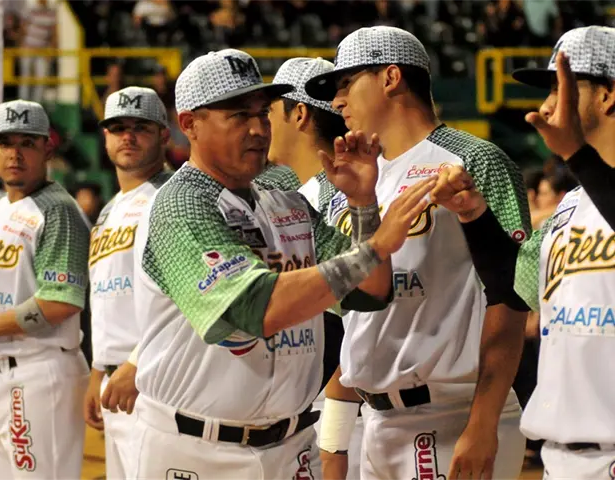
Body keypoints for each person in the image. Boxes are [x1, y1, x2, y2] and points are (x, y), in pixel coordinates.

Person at [126, 47, 437, 479]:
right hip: (197, 450)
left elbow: (371, 290)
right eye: (239, 115)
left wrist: (364, 204)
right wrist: (374, 247)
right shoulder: (180, 204)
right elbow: (253, 308)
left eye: (261, 113)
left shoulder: (287, 204)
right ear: (189, 124)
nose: (258, 129)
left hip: (291, 448)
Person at [305, 26, 530, 479]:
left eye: (346, 83)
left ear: (391, 77)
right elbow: (351, 319)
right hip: (376, 419)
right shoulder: (357, 178)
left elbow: (512, 296)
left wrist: (483, 422)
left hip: (452, 413)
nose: (337, 102)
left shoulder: (474, 159)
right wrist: (336, 433)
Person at [431, 26, 615, 479]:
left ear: (608, 95)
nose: (548, 105)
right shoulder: (572, 204)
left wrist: (577, 154)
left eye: (561, 88)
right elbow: (513, 287)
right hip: (563, 458)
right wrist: (474, 214)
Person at [0, 100, 90, 478]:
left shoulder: (57, 210)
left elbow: (61, 301)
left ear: (48, 149)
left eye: (27, 143)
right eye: (6, 143)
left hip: (40, 371)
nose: (15, 153)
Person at [268, 56, 363, 480]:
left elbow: (360, 319)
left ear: (299, 114)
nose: (262, 122)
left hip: (340, 410)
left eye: (270, 109)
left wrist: (335, 435)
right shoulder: (285, 192)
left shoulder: (340, 196)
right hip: (298, 403)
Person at [83, 87, 172, 479]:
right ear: (105, 137)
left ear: (164, 135)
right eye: (118, 128)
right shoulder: (109, 210)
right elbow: (105, 301)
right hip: (115, 379)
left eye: (140, 127)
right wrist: (97, 372)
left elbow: (181, 300)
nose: (128, 137)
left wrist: (136, 365)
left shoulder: (172, 196)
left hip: (154, 377)